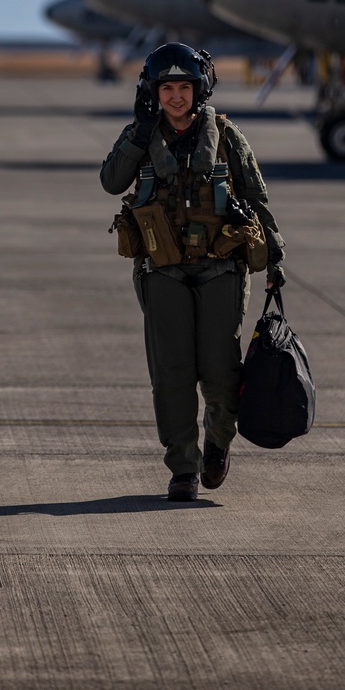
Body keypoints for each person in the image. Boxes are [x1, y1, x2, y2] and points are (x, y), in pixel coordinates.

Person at [100, 43, 285, 501]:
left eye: (184, 87)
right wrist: (139, 133)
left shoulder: (225, 135)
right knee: (172, 372)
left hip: (220, 267)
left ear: (198, 90)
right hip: (162, 270)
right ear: (154, 91)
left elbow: (257, 198)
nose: (176, 97)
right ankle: (183, 467)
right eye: (167, 88)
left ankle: (217, 444)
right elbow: (111, 181)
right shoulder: (141, 135)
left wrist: (274, 257)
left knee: (221, 371)